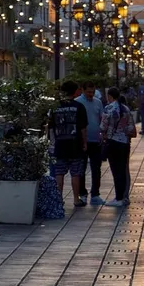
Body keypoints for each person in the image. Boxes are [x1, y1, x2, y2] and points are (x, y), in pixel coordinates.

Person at [48, 79, 89, 209]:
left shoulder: (55, 107)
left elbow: (50, 127)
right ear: (75, 91)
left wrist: (51, 142)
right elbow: (83, 127)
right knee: (75, 173)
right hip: (75, 144)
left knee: (59, 173)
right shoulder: (79, 107)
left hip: (60, 144)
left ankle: (59, 199)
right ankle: (76, 199)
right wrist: (84, 142)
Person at [100, 86, 136, 206]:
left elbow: (103, 127)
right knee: (123, 169)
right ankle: (123, 197)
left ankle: (118, 198)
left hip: (113, 143)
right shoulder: (126, 109)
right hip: (124, 143)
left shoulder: (108, 109)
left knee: (116, 171)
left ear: (109, 96)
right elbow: (131, 128)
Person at [74, 81, 105, 206]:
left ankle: (95, 194)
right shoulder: (77, 102)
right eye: (88, 92)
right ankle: (83, 193)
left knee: (96, 168)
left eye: (92, 92)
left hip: (95, 140)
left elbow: (102, 118)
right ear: (82, 90)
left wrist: (102, 133)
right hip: (81, 141)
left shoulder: (98, 102)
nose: (90, 94)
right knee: (81, 168)